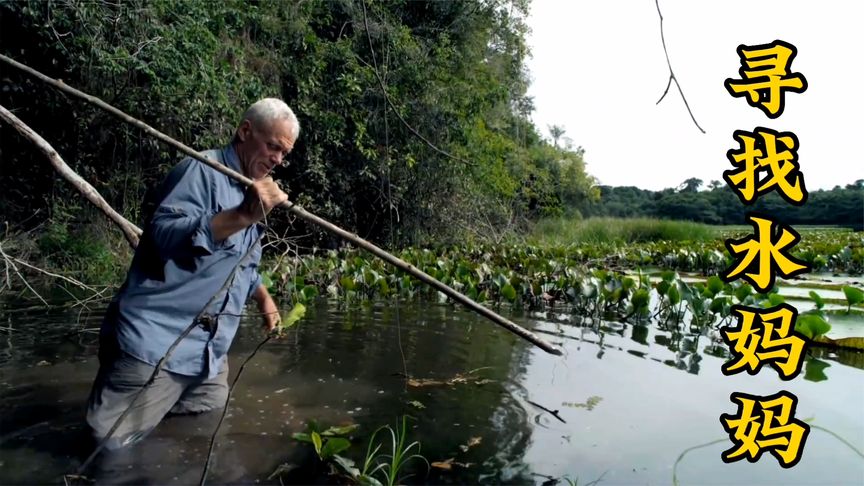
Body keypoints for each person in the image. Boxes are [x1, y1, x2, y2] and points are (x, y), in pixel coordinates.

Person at [86, 98, 297, 449]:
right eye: (273, 146)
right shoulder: (201, 171)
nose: (277, 159)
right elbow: (161, 236)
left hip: (208, 357)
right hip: (155, 345)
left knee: (199, 438)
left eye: (283, 154)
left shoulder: (251, 189)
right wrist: (244, 215)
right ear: (245, 131)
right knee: (108, 449)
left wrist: (264, 299)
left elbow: (241, 262)